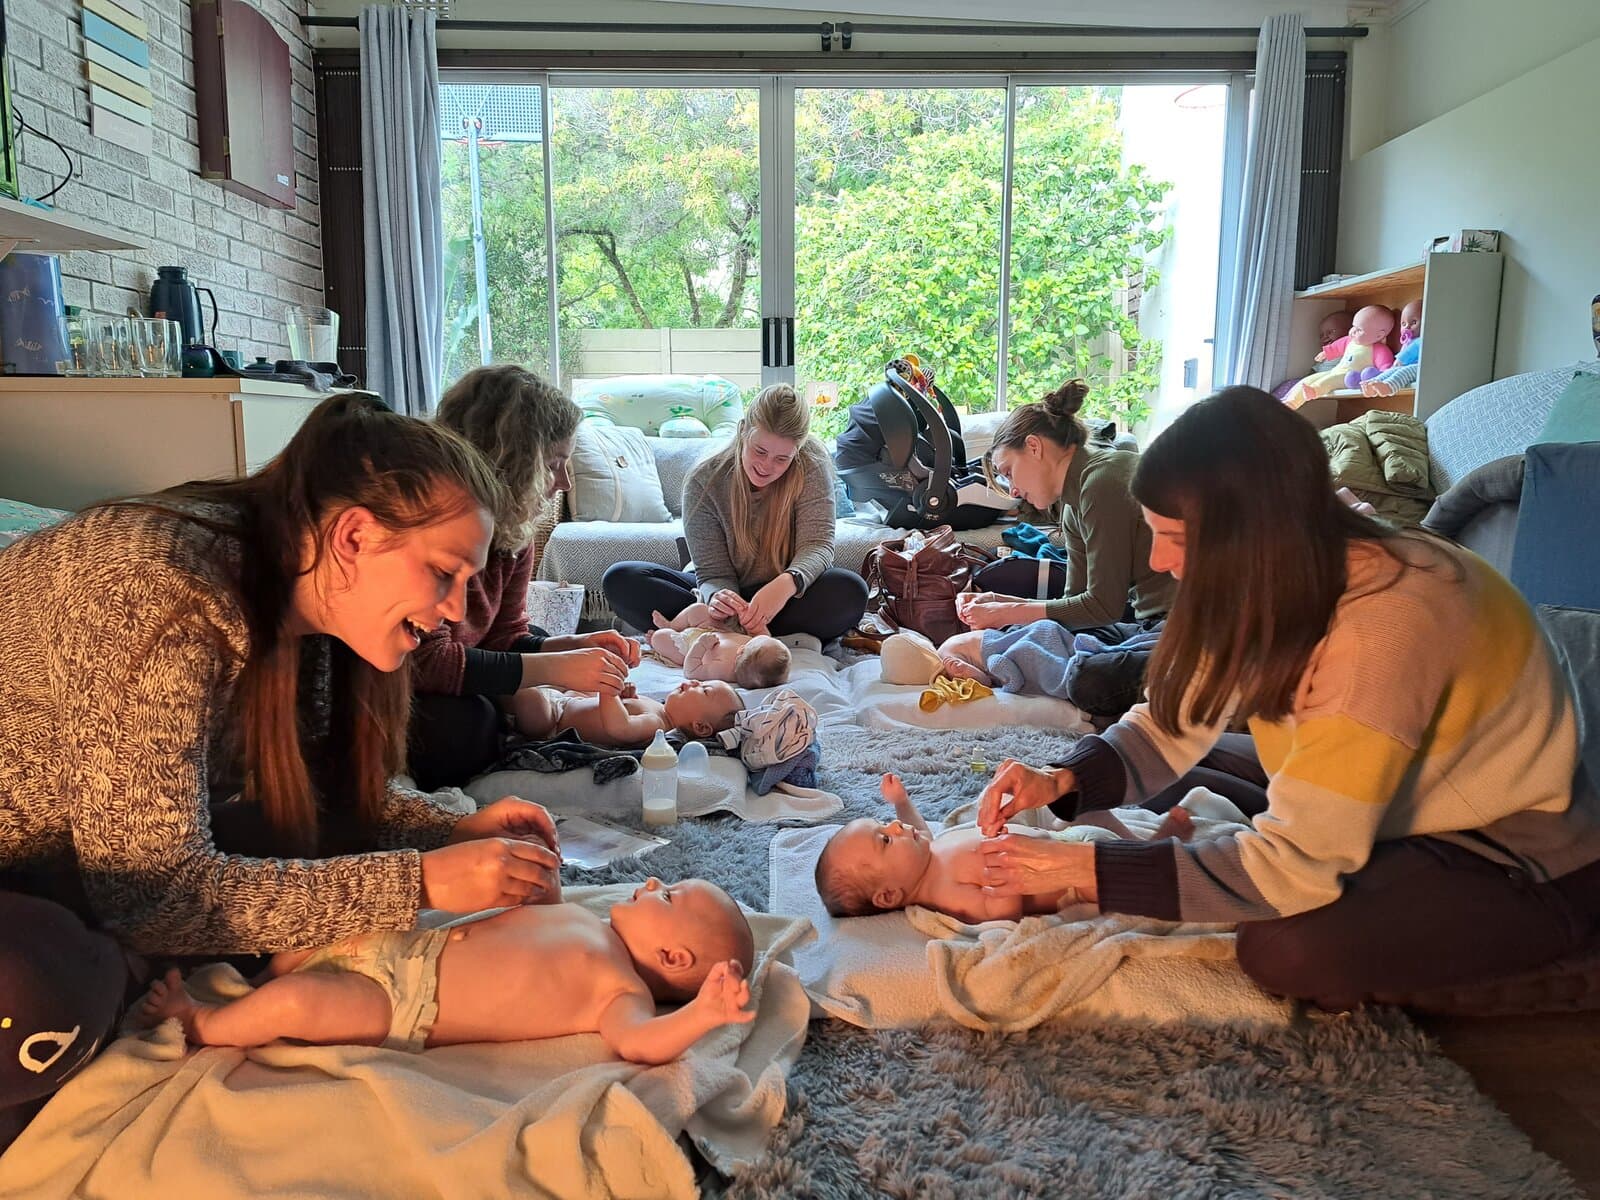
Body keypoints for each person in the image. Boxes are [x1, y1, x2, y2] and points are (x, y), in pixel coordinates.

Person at [0, 394, 565, 1127]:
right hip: (42, 864)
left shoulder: (308, 605)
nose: (456, 610)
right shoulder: (152, 586)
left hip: (92, 859)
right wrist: (420, 880)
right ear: (355, 538)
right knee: (39, 1001)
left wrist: (445, 831)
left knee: (292, 846)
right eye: (444, 573)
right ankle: (110, 965)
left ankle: (126, 963)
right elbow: (150, 889)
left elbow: (330, 792)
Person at [973, 386, 1600, 1013]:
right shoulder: (1276, 570)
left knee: (1282, 947)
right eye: (1154, 534)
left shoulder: (1386, 621)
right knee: (1155, 780)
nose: (1161, 561)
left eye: (1178, 539)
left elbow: (1295, 869)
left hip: (1511, 851)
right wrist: (1061, 780)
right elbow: (1175, 718)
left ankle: (1571, 966)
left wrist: (1084, 872)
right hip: (1402, 803)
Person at [137, 878, 755, 1067]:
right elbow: (517, 916)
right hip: (406, 943)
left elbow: (640, 1044)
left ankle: (204, 1021)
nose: (651, 882)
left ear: (674, 960)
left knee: (297, 1003)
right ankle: (255, 971)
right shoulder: (589, 919)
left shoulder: (617, 992)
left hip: (403, 1004)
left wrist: (703, 1014)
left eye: (667, 895)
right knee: (300, 947)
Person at [411, 365, 642, 788]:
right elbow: (424, 660)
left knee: (528, 648)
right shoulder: (428, 528)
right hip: (409, 682)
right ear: (510, 463)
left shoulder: (517, 529)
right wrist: (555, 668)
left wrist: (571, 645)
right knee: (463, 730)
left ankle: (510, 703)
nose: (564, 483)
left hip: (458, 659)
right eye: (554, 464)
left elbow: (506, 634)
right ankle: (506, 707)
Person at [602, 383, 868, 644]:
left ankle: (717, 630)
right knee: (621, 579)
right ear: (743, 431)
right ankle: (744, 628)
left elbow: (818, 545)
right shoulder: (704, 480)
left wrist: (785, 585)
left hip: (787, 594)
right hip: (727, 590)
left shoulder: (812, 462)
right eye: (759, 451)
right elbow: (713, 573)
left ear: (797, 450)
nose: (766, 466)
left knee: (850, 590)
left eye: (782, 459)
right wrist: (721, 600)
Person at [814, 774, 1192, 924]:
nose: (896, 827)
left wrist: (900, 801)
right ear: (889, 894)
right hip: (1070, 884)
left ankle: (1138, 845)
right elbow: (1001, 919)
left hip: (1066, 843)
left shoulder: (926, 850)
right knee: (1118, 884)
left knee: (1084, 807)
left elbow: (920, 827)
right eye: (885, 839)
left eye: (885, 822)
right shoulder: (944, 894)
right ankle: (1157, 855)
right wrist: (999, 877)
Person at [957, 378, 1176, 639]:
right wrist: (998, 601)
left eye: (1009, 471)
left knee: (1083, 671)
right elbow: (1078, 605)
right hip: (1149, 623)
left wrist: (1008, 612)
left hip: (1182, 624)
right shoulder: (1072, 508)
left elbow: (1103, 607)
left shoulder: (1103, 481)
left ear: (1034, 446)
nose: (1013, 490)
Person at [507, 678, 743, 747]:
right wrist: (621, 698)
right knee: (552, 675)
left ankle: (486, 685)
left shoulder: (658, 725)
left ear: (700, 726)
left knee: (532, 703)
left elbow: (619, 728)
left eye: (703, 690)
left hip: (554, 721)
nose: (693, 681)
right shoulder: (658, 708)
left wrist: (608, 691)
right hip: (567, 698)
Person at [649, 602, 792, 688]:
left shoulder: (724, 670)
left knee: (659, 638)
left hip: (688, 645)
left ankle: (666, 630)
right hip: (716, 630)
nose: (763, 636)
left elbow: (691, 671)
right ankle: (672, 624)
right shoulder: (759, 649)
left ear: (741, 651)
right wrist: (753, 622)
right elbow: (759, 632)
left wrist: (700, 646)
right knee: (698, 609)